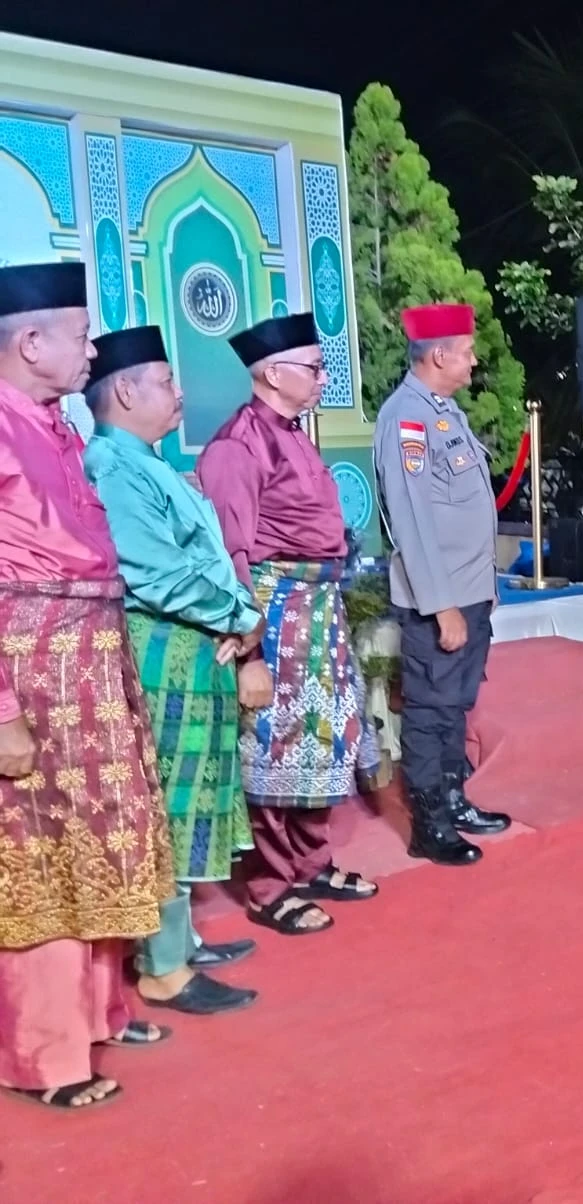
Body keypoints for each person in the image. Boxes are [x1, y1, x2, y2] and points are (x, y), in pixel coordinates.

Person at [0, 262, 174, 1110]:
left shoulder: (61, 425)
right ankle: (46, 1052)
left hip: (94, 670)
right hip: (30, 676)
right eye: (80, 335)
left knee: (102, 839)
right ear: (30, 342)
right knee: (40, 857)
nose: (93, 350)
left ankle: (100, 1011)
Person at [81, 326, 262, 1014]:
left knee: (192, 798)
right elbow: (156, 575)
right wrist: (239, 615)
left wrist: (234, 618)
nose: (179, 394)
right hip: (163, 656)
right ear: (126, 392)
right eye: (165, 381)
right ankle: (162, 967)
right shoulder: (115, 468)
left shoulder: (145, 463)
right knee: (169, 805)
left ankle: (179, 945)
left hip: (192, 652)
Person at [196, 314, 379, 937]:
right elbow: (230, 554)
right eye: (316, 368)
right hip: (273, 612)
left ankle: (311, 862)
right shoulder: (237, 446)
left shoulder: (294, 434)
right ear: (274, 374)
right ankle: (270, 885)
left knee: (321, 739)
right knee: (273, 745)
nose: (325, 378)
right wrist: (249, 651)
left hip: (318, 609)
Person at [373, 303, 509, 867]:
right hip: (441, 597)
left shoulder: (445, 412)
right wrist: (441, 604)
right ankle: (428, 822)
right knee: (430, 709)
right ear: (438, 355)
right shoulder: (405, 418)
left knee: (454, 705)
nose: (474, 362)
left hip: (468, 590)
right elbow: (411, 520)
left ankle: (453, 800)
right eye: (467, 352)